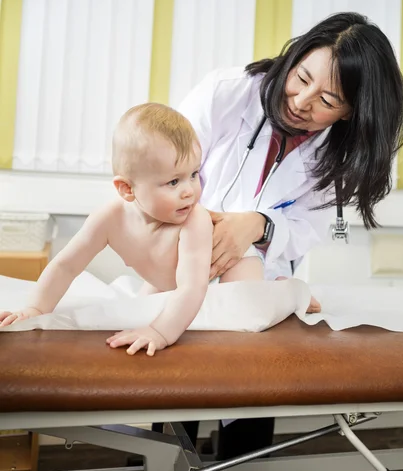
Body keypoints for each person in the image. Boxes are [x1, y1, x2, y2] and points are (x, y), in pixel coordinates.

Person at [175, 12, 403, 471]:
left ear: (349, 112)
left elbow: (309, 228)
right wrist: (206, 230)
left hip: (263, 267)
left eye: (328, 100)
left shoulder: (343, 155)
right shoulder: (228, 92)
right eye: (302, 77)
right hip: (180, 250)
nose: (302, 102)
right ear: (295, 54)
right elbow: (165, 169)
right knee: (180, 375)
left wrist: (257, 226)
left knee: (256, 365)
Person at [0, 103, 267, 346]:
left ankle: (284, 294)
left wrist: (159, 333)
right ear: (127, 188)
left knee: (240, 312)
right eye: (174, 182)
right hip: (167, 278)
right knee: (139, 309)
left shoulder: (193, 220)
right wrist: (35, 310)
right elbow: (66, 265)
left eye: (194, 175)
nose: (190, 191)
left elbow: (192, 288)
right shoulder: (109, 219)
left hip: (229, 265)